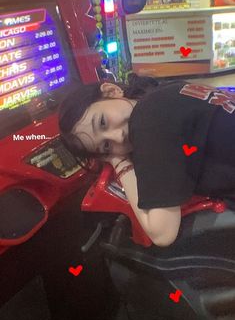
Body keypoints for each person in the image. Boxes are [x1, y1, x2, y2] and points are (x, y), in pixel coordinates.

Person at [59, 75, 235, 247]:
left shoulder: (146, 122)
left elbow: (162, 234)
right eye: (106, 146)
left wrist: (118, 162)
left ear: (111, 91)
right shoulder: (164, 90)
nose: (118, 137)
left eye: (102, 122)